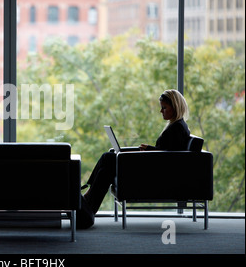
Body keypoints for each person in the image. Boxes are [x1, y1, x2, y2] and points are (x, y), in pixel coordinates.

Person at [76, 89, 191, 229]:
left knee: (108, 158)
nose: (161, 111)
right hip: (154, 167)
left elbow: (170, 158)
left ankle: (88, 199)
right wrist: (150, 149)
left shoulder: (178, 128)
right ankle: (88, 207)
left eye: (164, 108)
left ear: (176, 107)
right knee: (106, 169)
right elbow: (167, 152)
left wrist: (150, 150)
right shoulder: (175, 126)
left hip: (156, 173)